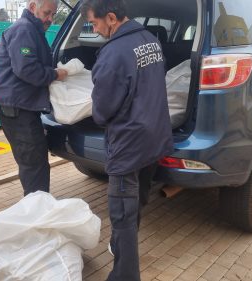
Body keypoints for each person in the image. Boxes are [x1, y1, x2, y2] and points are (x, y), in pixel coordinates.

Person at [81, 0, 174, 280]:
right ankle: (122, 246)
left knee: (121, 214)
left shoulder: (112, 54)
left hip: (127, 146)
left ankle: (125, 275)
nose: (95, 30)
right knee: (135, 204)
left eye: (95, 24)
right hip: (153, 139)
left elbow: (103, 109)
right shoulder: (150, 40)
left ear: (111, 18)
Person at [0, 0, 68, 196]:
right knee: (34, 165)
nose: (50, 19)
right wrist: (55, 74)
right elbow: (26, 69)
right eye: (47, 13)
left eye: (53, 14)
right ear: (33, 6)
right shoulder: (23, 29)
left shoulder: (32, 30)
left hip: (22, 108)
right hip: (18, 111)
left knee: (34, 163)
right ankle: (37, 215)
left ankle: (37, 209)